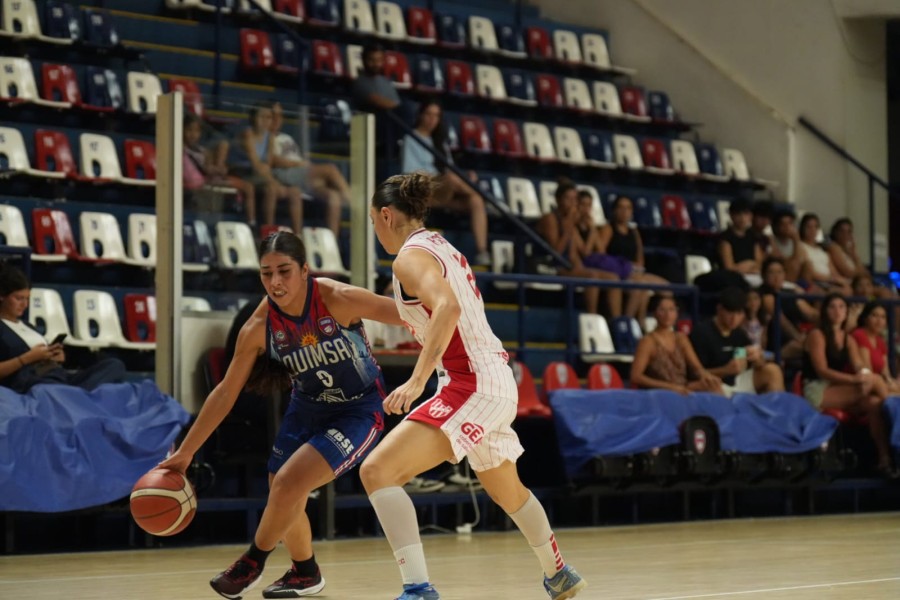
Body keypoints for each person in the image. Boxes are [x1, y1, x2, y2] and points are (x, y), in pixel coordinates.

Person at [361, 173, 587, 599]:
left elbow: (445, 309)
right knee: (508, 490)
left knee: (378, 471)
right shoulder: (440, 245)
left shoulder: (409, 258)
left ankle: (418, 589)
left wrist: (416, 380)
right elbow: (432, 310)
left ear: (387, 215)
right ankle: (559, 574)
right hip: (494, 378)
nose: (376, 230)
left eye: (374, 221)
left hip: (472, 383)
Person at [159, 232, 405, 599]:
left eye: (285, 271)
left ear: (305, 270)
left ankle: (252, 560)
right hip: (307, 406)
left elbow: (413, 315)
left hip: (358, 408)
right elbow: (226, 392)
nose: (275, 282)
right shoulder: (258, 327)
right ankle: (305, 572)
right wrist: (186, 453)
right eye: (266, 273)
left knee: (289, 483)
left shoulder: (338, 299)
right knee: (281, 488)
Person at [801, 293, 895, 476]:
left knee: (875, 404)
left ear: (846, 313)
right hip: (817, 389)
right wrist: (856, 380)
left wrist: (863, 374)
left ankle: (885, 460)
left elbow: (859, 365)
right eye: (832, 307)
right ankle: (895, 408)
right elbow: (822, 371)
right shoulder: (817, 335)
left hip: (839, 389)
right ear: (825, 311)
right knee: (875, 382)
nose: (837, 311)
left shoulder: (848, 338)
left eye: (842, 307)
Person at [0, 263, 126, 393]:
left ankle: (74, 397)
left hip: (59, 376)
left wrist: (55, 356)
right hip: (35, 381)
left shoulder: (28, 326)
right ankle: (75, 397)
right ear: (2, 296)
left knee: (114, 365)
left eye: (27, 299)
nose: (25, 304)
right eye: (19, 298)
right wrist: (26, 359)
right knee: (49, 388)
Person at [401, 100, 489, 265]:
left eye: (436, 116)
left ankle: (482, 251)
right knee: (454, 180)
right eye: (428, 114)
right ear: (420, 115)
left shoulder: (440, 142)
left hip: (444, 191)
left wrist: (465, 176)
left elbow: (450, 169)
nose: (432, 119)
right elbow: (410, 174)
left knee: (475, 200)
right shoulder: (411, 138)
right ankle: (486, 197)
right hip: (425, 189)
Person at [536, 181, 621, 318]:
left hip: (566, 265)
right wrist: (569, 225)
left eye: (574, 199)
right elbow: (555, 253)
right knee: (592, 277)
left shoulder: (570, 221)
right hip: (549, 265)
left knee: (613, 278)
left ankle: (617, 320)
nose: (572, 203)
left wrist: (580, 268)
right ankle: (592, 318)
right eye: (568, 199)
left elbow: (573, 254)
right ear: (558, 200)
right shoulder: (550, 219)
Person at [270, 101, 350, 238]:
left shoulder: (286, 137)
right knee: (330, 169)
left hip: (301, 176)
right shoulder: (267, 138)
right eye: (273, 115)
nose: (278, 119)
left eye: (280, 116)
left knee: (334, 197)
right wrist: (300, 165)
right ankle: (355, 205)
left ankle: (332, 245)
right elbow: (273, 160)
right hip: (286, 174)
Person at [689, 287, 785, 396]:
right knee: (712, 386)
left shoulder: (738, 334)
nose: (734, 318)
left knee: (773, 370)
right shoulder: (702, 333)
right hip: (714, 383)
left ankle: (777, 412)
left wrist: (758, 359)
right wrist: (725, 370)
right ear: (719, 309)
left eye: (739, 313)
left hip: (737, 381)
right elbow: (695, 374)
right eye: (730, 313)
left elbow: (748, 357)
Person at [227, 101, 304, 233]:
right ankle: (269, 230)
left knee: (295, 192)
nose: (265, 121)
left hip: (258, 175)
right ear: (253, 118)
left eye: (268, 117)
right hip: (241, 172)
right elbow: (256, 164)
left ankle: (298, 234)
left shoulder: (270, 137)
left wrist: (272, 179)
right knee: (272, 188)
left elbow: (267, 164)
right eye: (261, 117)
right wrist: (273, 182)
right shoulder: (248, 134)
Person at [592, 195, 669, 323]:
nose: (624, 211)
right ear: (614, 210)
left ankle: (645, 324)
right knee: (640, 285)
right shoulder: (608, 229)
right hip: (616, 271)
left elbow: (640, 258)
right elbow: (601, 255)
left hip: (634, 272)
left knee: (667, 289)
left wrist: (636, 269)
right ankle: (627, 321)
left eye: (628, 208)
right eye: (621, 207)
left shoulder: (634, 232)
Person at [630, 295, 723, 395]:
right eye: (662, 310)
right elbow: (636, 376)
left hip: (682, 387)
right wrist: (670, 387)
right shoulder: (648, 341)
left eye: (671, 310)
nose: (668, 315)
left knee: (714, 386)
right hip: (660, 391)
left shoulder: (681, 338)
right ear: (654, 313)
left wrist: (707, 376)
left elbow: (696, 367)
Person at [183, 112, 256, 217]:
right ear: (183, 130)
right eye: (189, 130)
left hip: (211, 181)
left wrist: (219, 170)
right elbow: (205, 170)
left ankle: (250, 222)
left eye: (197, 131)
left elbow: (208, 167)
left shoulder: (204, 151)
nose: (193, 134)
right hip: (200, 184)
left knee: (248, 187)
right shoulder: (182, 150)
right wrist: (215, 170)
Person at [757, 257, 818, 361]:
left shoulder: (790, 293)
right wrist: (798, 338)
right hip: (776, 342)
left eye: (780, 272)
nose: (776, 276)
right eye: (771, 273)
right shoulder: (764, 296)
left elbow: (811, 314)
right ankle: (774, 358)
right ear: (764, 275)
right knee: (803, 347)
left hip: (795, 338)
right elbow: (782, 321)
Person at [850, 301, 900, 394]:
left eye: (883, 317)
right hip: (861, 385)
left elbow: (885, 372)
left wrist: (891, 383)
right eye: (874, 315)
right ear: (866, 318)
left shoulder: (881, 341)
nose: (879, 320)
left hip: (879, 386)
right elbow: (868, 369)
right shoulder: (859, 334)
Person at [798, 213, 851, 294]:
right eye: (809, 227)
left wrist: (843, 281)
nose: (812, 230)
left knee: (848, 289)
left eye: (815, 227)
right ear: (803, 228)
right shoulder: (800, 246)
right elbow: (809, 271)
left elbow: (833, 272)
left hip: (828, 282)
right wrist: (830, 279)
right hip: (814, 282)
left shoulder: (823, 252)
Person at [717, 198, 764, 278]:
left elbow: (759, 263)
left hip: (753, 276)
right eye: (738, 214)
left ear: (751, 216)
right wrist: (748, 265)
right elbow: (729, 267)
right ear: (731, 215)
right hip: (733, 278)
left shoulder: (753, 236)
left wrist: (751, 267)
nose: (742, 218)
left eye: (746, 214)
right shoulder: (725, 238)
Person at [770, 211, 807, 283]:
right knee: (793, 264)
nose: (787, 227)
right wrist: (796, 240)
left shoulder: (795, 242)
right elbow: (779, 259)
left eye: (790, 223)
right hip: (781, 271)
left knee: (808, 265)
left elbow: (801, 259)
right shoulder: (771, 240)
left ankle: (805, 288)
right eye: (783, 224)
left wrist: (796, 240)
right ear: (776, 226)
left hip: (797, 273)